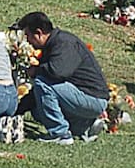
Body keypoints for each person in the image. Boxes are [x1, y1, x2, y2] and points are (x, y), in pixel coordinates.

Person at [14, 11, 109, 144]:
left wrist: (36, 71)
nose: (28, 40)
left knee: (43, 83)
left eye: (28, 35)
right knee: (38, 109)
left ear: (39, 33)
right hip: (81, 98)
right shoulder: (52, 45)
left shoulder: (64, 43)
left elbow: (58, 72)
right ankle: (85, 126)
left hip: (93, 98)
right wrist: (15, 110)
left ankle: (60, 134)